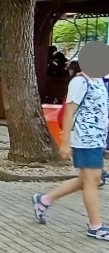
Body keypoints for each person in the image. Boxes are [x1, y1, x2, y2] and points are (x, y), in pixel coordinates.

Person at [33, 61, 109, 240]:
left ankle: (44, 200)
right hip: (84, 139)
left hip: (97, 138)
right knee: (92, 181)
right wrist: (65, 142)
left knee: (86, 180)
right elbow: (68, 112)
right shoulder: (80, 82)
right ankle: (95, 226)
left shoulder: (98, 80)